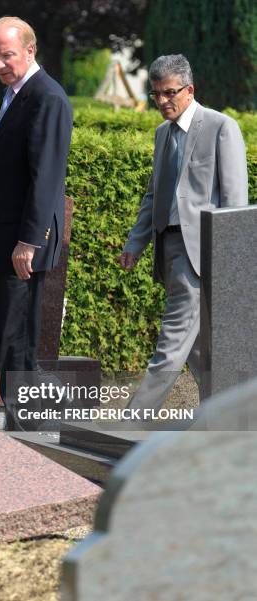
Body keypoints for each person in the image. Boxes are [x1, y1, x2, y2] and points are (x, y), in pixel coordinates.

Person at [0, 16, 73, 430]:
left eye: (7, 55)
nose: (0, 64)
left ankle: (24, 430)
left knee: (14, 336)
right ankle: (40, 390)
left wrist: (29, 241)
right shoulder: (12, 94)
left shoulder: (48, 97)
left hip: (21, 242)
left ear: (30, 50)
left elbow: (47, 176)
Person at [118, 54, 248, 412]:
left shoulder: (222, 127)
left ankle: (132, 421)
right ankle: (227, 415)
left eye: (169, 93)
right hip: (170, 249)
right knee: (196, 347)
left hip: (205, 252)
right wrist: (135, 244)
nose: (162, 101)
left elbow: (235, 202)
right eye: (156, 94)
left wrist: (230, 266)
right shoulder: (163, 134)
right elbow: (152, 195)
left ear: (190, 90)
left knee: (173, 343)